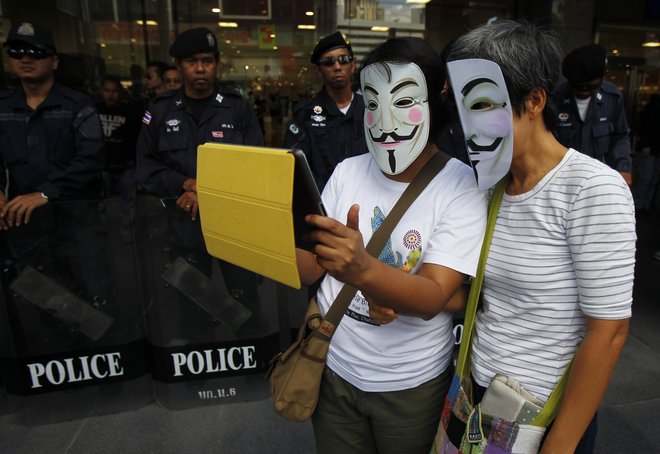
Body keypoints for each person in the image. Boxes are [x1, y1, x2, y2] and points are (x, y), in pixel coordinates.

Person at [436, 20, 635, 453]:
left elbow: (610, 332)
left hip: (545, 417)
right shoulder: (490, 184)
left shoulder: (591, 188)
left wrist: (559, 445)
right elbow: (478, 295)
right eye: (461, 107)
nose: (468, 126)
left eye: (483, 105)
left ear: (535, 100)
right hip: (478, 400)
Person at [295, 37, 487, 454]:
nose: (384, 122)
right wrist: (259, 234)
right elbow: (309, 268)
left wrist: (363, 269)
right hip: (334, 367)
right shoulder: (347, 171)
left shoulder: (459, 186)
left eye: (403, 102)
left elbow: (435, 295)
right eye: (372, 102)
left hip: (409, 384)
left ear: (437, 99)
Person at [136, 27, 264, 341]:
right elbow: (146, 167)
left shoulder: (236, 108)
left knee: (244, 294)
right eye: (192, 61)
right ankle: (199, 368)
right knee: (191, 297)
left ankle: (257, 363)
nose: (200, 68)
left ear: (217, 64)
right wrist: (183, 185)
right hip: (184, 222)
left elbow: (256, 163)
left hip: (233, 223)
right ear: (178, 66)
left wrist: (203, 190)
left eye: (207, 60)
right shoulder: (161, 110)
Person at [0, 22, 111, 348]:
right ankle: (58, 357)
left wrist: (46, 193)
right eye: (17, 52)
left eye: (36, 53)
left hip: (76, 220)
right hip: (26, 226)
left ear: (54, 61)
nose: (26, 59)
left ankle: (102, 362)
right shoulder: (3, 108)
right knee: (43, 292)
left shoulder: (77, 106)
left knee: (92, 290)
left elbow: (91, 160)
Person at [283, 31, 368, 192]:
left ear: (352, 65)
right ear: (318, 70)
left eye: (343, 60)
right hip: (322, 206)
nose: (337, 67)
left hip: (367, 203)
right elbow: (294, 169)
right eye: (328, 62)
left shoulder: (371, 111)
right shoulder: (305, 116)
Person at [552, 44, 633, 185]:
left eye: (590, 87)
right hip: (559, 177)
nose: (584, 92)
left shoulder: (612, 98)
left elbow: (620, 137)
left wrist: (623, 168)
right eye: (578, 87)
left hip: (596, 178)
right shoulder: (555, 98)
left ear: (602, 78)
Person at [96, 75, 142, 239]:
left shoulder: (131, 111)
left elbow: (138, 138)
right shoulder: (94, 110)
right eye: (107, 90)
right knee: (100, 202)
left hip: (126, 165)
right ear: (101, 91)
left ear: (120, 93)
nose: (110, 95)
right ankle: (101, 231)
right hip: (103, 165)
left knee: (129, 202)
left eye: (114, 91)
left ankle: (127, 232)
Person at [634, 94, 660, 214]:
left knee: (652, 178)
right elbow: (645, 127)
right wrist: (645, 144)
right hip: (649, 148)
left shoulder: (653, 105)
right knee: (647, 178)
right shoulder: (653, 107)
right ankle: (639, 205)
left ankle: (646, 205)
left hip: (654, 148)